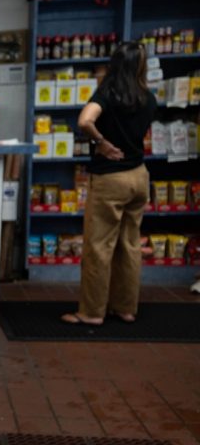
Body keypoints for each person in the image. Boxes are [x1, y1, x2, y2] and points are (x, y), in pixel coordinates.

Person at [61, 42, 156, 326]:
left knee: (99, 246)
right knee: (129, 245)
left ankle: (91, 313)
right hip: (139, 176)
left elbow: (84, 120)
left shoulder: (107, 94)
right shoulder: (148, 98)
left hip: (111, 178)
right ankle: (125, 309)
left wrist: (101, 143)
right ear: (141, 66)